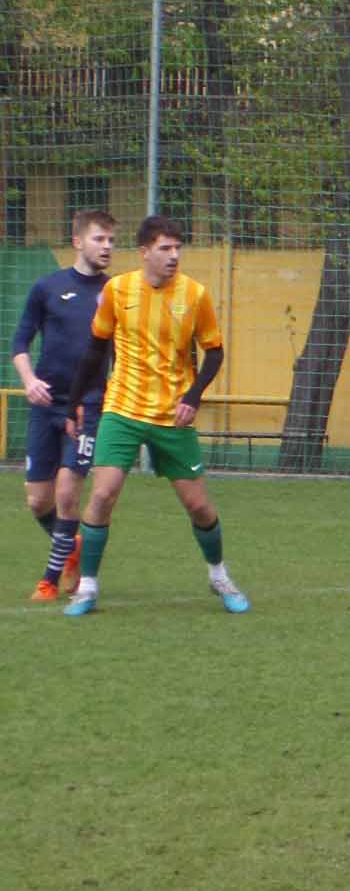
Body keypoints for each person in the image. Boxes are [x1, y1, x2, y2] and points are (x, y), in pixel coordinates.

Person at [59, 215, 247, 618]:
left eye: (178, 248)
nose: (174, 255)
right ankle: (87, 587)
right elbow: (95, 349)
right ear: (145, 252)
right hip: (122, 409)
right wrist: (73, 402)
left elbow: (214, 352)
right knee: (102, 495)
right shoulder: (117, 290)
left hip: (171, 415)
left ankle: (218, 575)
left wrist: (193, 396)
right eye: (165, 248)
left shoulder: (195, 295)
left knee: (199, 507)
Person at [13, 207, 114, 600]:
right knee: (38, 500)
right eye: (99, 239)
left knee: (68, 493)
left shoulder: (116, 293)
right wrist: (29, 381)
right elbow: (19, 343)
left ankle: (50, 580)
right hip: (45, 405)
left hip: (87, 406)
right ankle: (71, 546)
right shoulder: (47, 288)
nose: (107, 246)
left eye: (111, 240)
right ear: (77, 242)